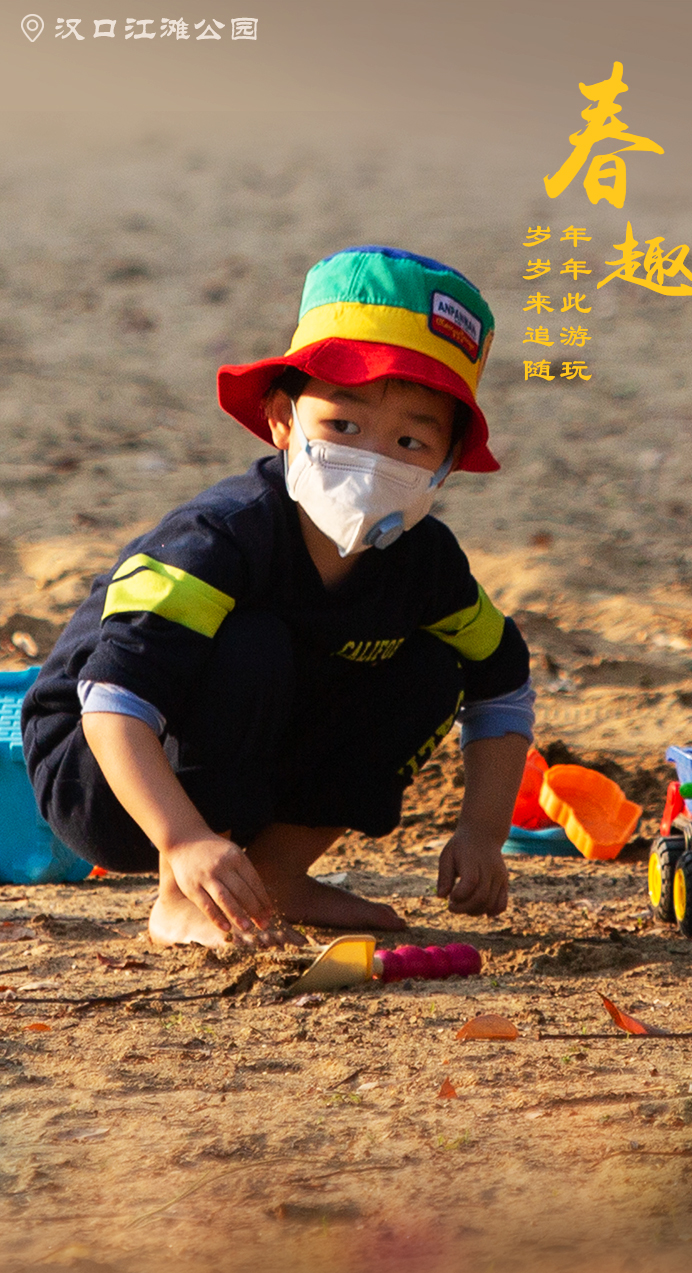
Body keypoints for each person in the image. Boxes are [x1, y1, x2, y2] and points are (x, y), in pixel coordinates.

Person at [22, 245, 535, 949]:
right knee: (252, 643)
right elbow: (113, 699)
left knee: (429, 669)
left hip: (256, 757)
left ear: (446, 463)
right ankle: (182, 898)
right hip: (104, 769)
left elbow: (502, 680)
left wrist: (482, 832)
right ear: (282, 419)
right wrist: (184, 840)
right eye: (344, 426)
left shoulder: (426, 567)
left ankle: (274, 873)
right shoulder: (219, 539)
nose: (373, 459)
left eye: (410, 440)